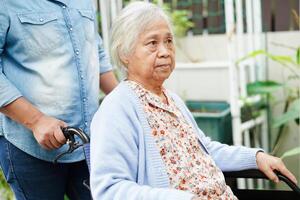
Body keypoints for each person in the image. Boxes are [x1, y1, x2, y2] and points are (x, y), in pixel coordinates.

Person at [90, 2, 297, 200]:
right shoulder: (117, 108)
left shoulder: (171, 99)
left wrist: (255, 157)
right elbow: (109, 189)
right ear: (125, 53)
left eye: (169, 41)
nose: (165, 51)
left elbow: (204, 150)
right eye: (152, 43)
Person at [0, 0, 118, 199]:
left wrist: (126, 103)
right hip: (30, 148)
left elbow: (95, 52)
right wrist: (36, 121)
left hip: (88, 144)